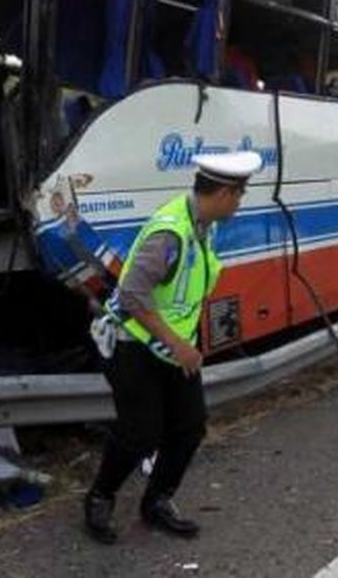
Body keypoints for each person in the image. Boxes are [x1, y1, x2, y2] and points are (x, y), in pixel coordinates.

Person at [83, 151, 263, 545]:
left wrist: (182, 344)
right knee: (140, 432)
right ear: (223, 193)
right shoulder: (171, 233)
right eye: (239, 194)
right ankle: (100, 497)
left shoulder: (203, 226)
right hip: (133, 344)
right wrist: (177, 343)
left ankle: (157, 502)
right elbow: (131, 295)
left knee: (189, 427)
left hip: (172, 348)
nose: (240, 202)